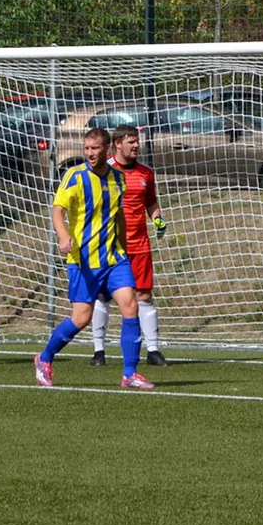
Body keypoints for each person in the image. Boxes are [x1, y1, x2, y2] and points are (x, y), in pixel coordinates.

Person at [35, 127, 152, 390]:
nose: (89, 153)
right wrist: (63, 236)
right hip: (83, 261)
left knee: (131, 306)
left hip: (113, 258)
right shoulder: (74, 176)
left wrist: (123, 247)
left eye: (94, 148)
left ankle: (129, 374)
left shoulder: (117, 179)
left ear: (107, 149)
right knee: (81, 318)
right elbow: (57, 211)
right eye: (86, 148)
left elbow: (118, 216)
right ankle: (44, 359)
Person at [89, 123, 168, 367]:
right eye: (131, 141)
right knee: (103, 296)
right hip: (112, 246)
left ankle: (153, 349)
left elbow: (151, 203)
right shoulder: (105, 170)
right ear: (117, 145)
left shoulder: (146, 173)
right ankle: (99, 350)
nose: (136, 145)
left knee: (144, 294)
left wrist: (158, 219)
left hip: (140, 244)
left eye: (137, 141)